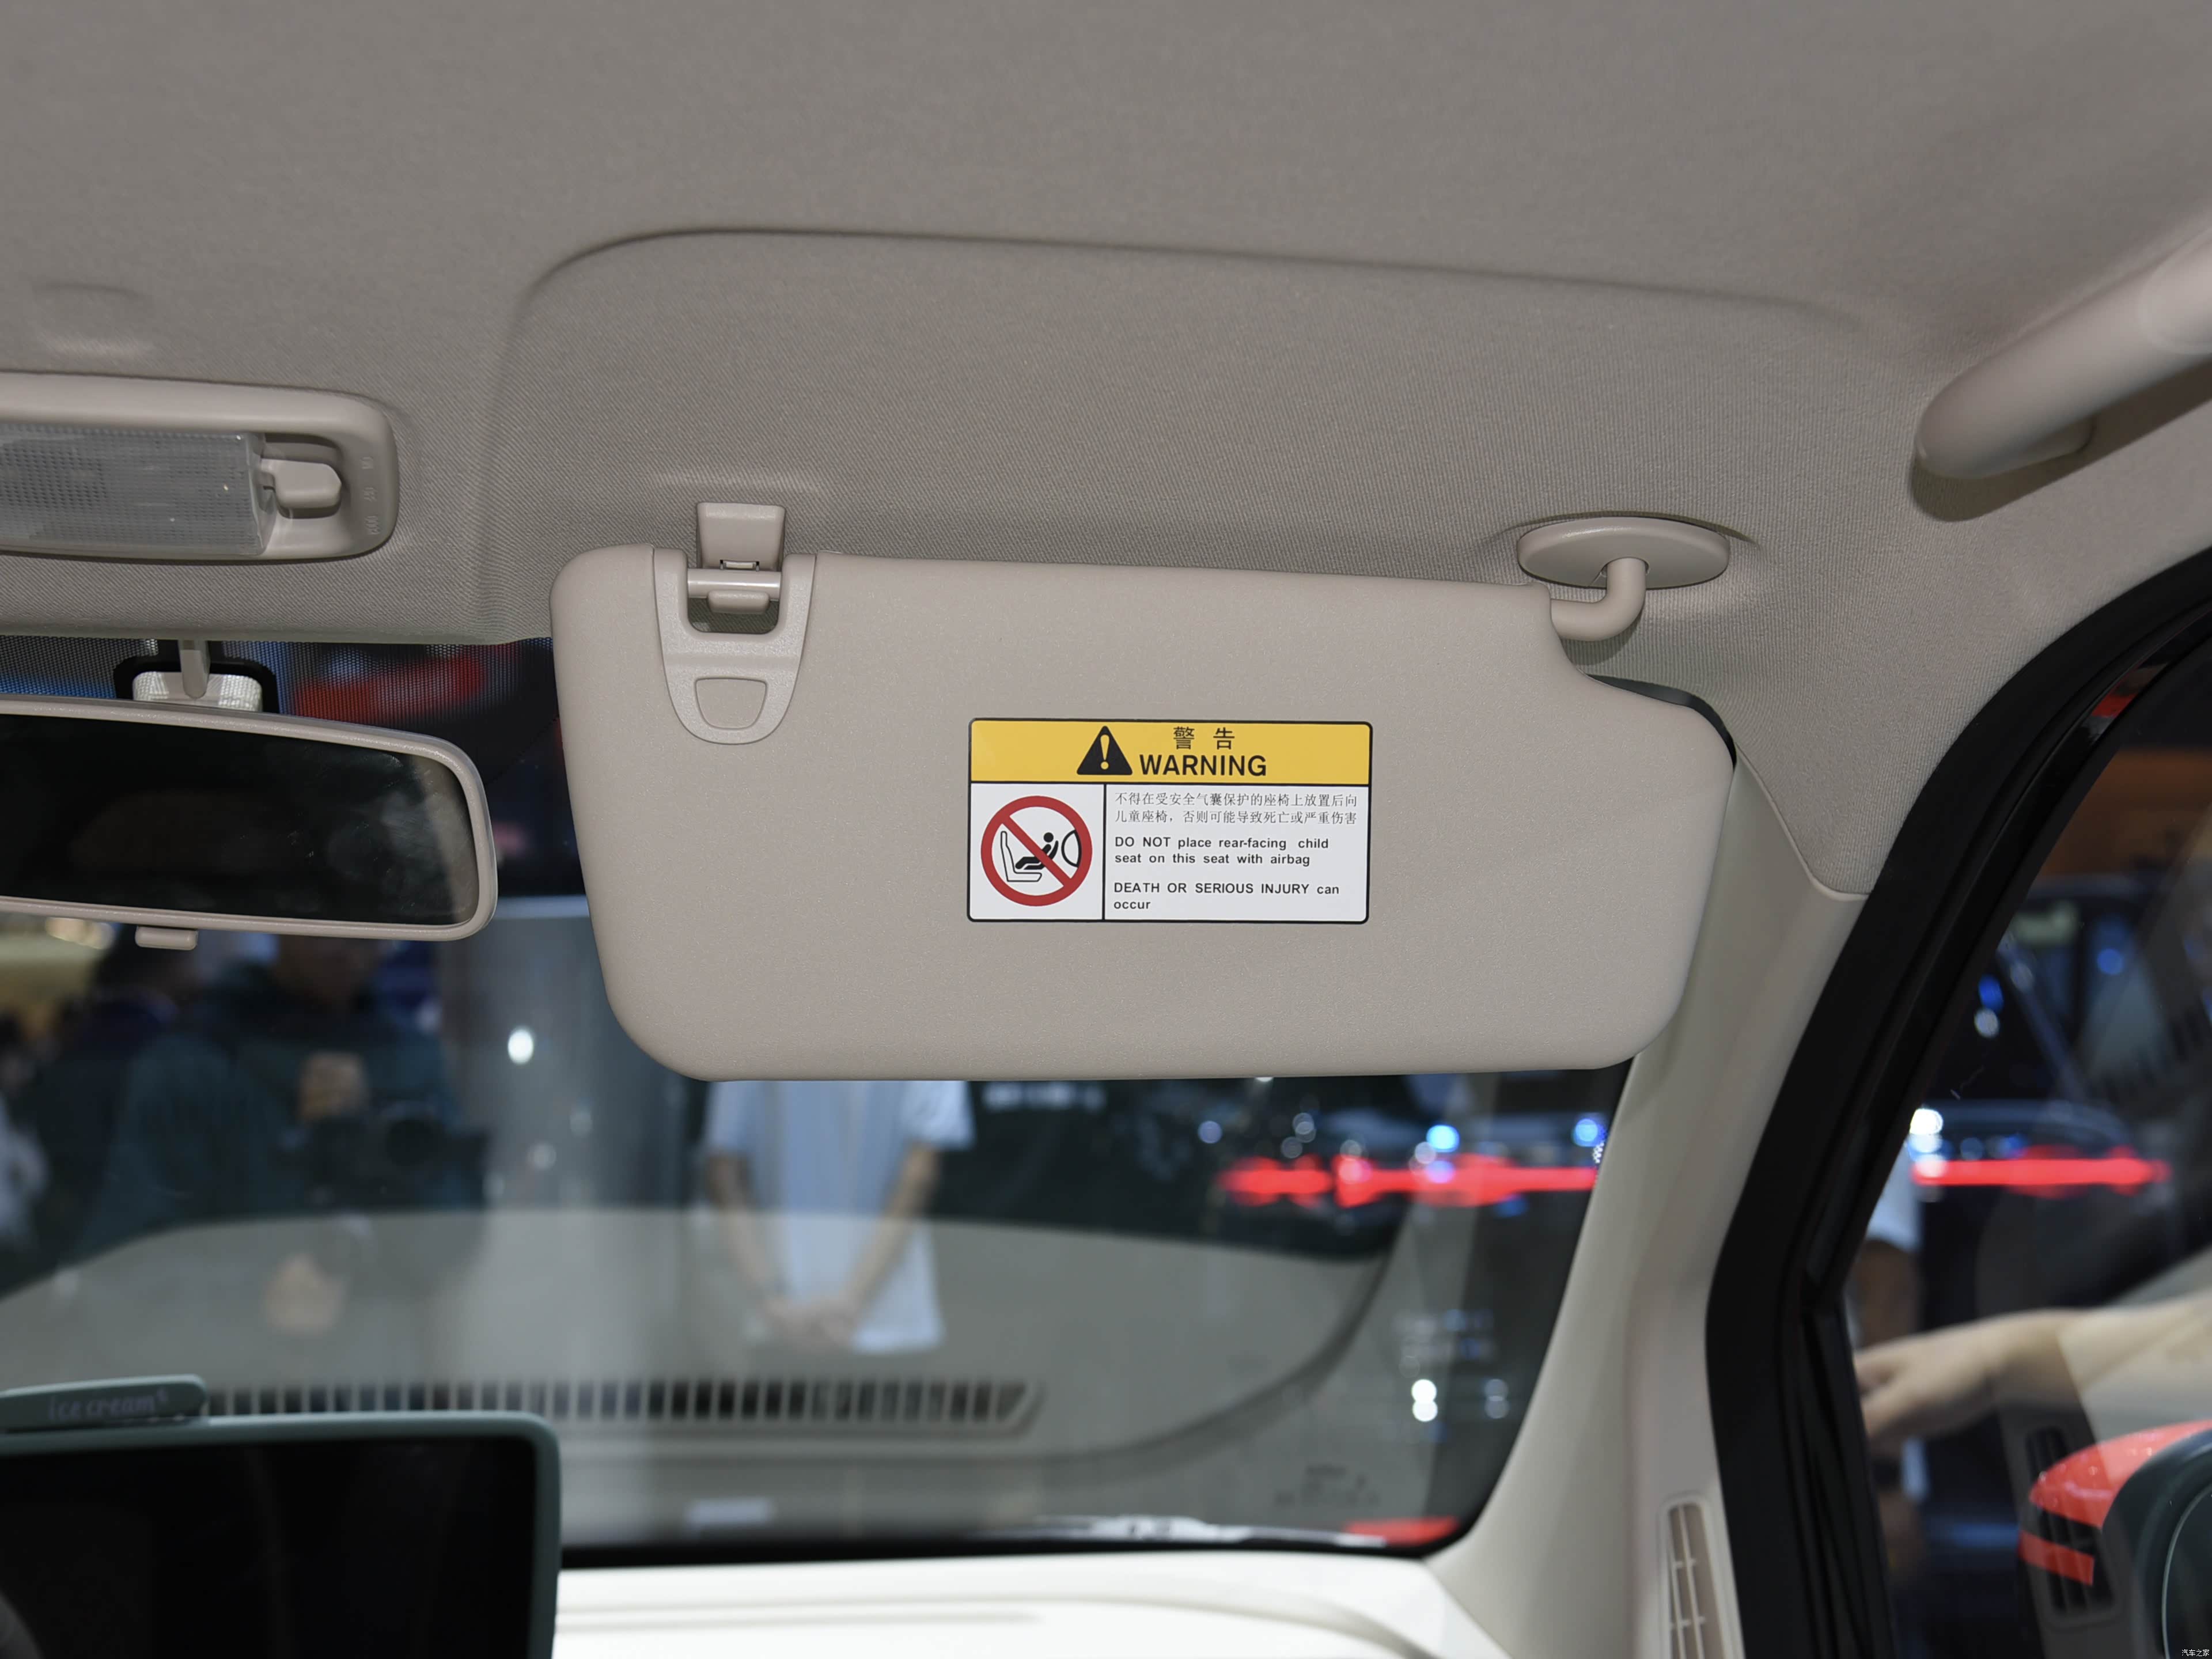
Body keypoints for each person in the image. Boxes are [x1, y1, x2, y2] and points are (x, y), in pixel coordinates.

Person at [74, 935, 477, 1335]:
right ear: (286, 927)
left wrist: (376, 1130)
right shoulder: (195, 1062)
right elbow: (124, 1269)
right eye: (331, 935)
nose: (354, 956)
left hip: (380, 1351)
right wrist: (253, 1297)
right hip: (238, 1363)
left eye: (373, 940)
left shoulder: (408, 1057)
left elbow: (451, 1236)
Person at [702, 1081, 971, 1354]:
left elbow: (725, 1169)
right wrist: (852, 1301)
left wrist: (771, 1298)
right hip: (886, 1322)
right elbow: (920, 1173)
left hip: (785, 1321)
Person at [8, 936, 200, 1280]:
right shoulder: (169, 1046)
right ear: (170, 965)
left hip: (67, 1232)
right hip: (144, 1241)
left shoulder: (74, 1039)